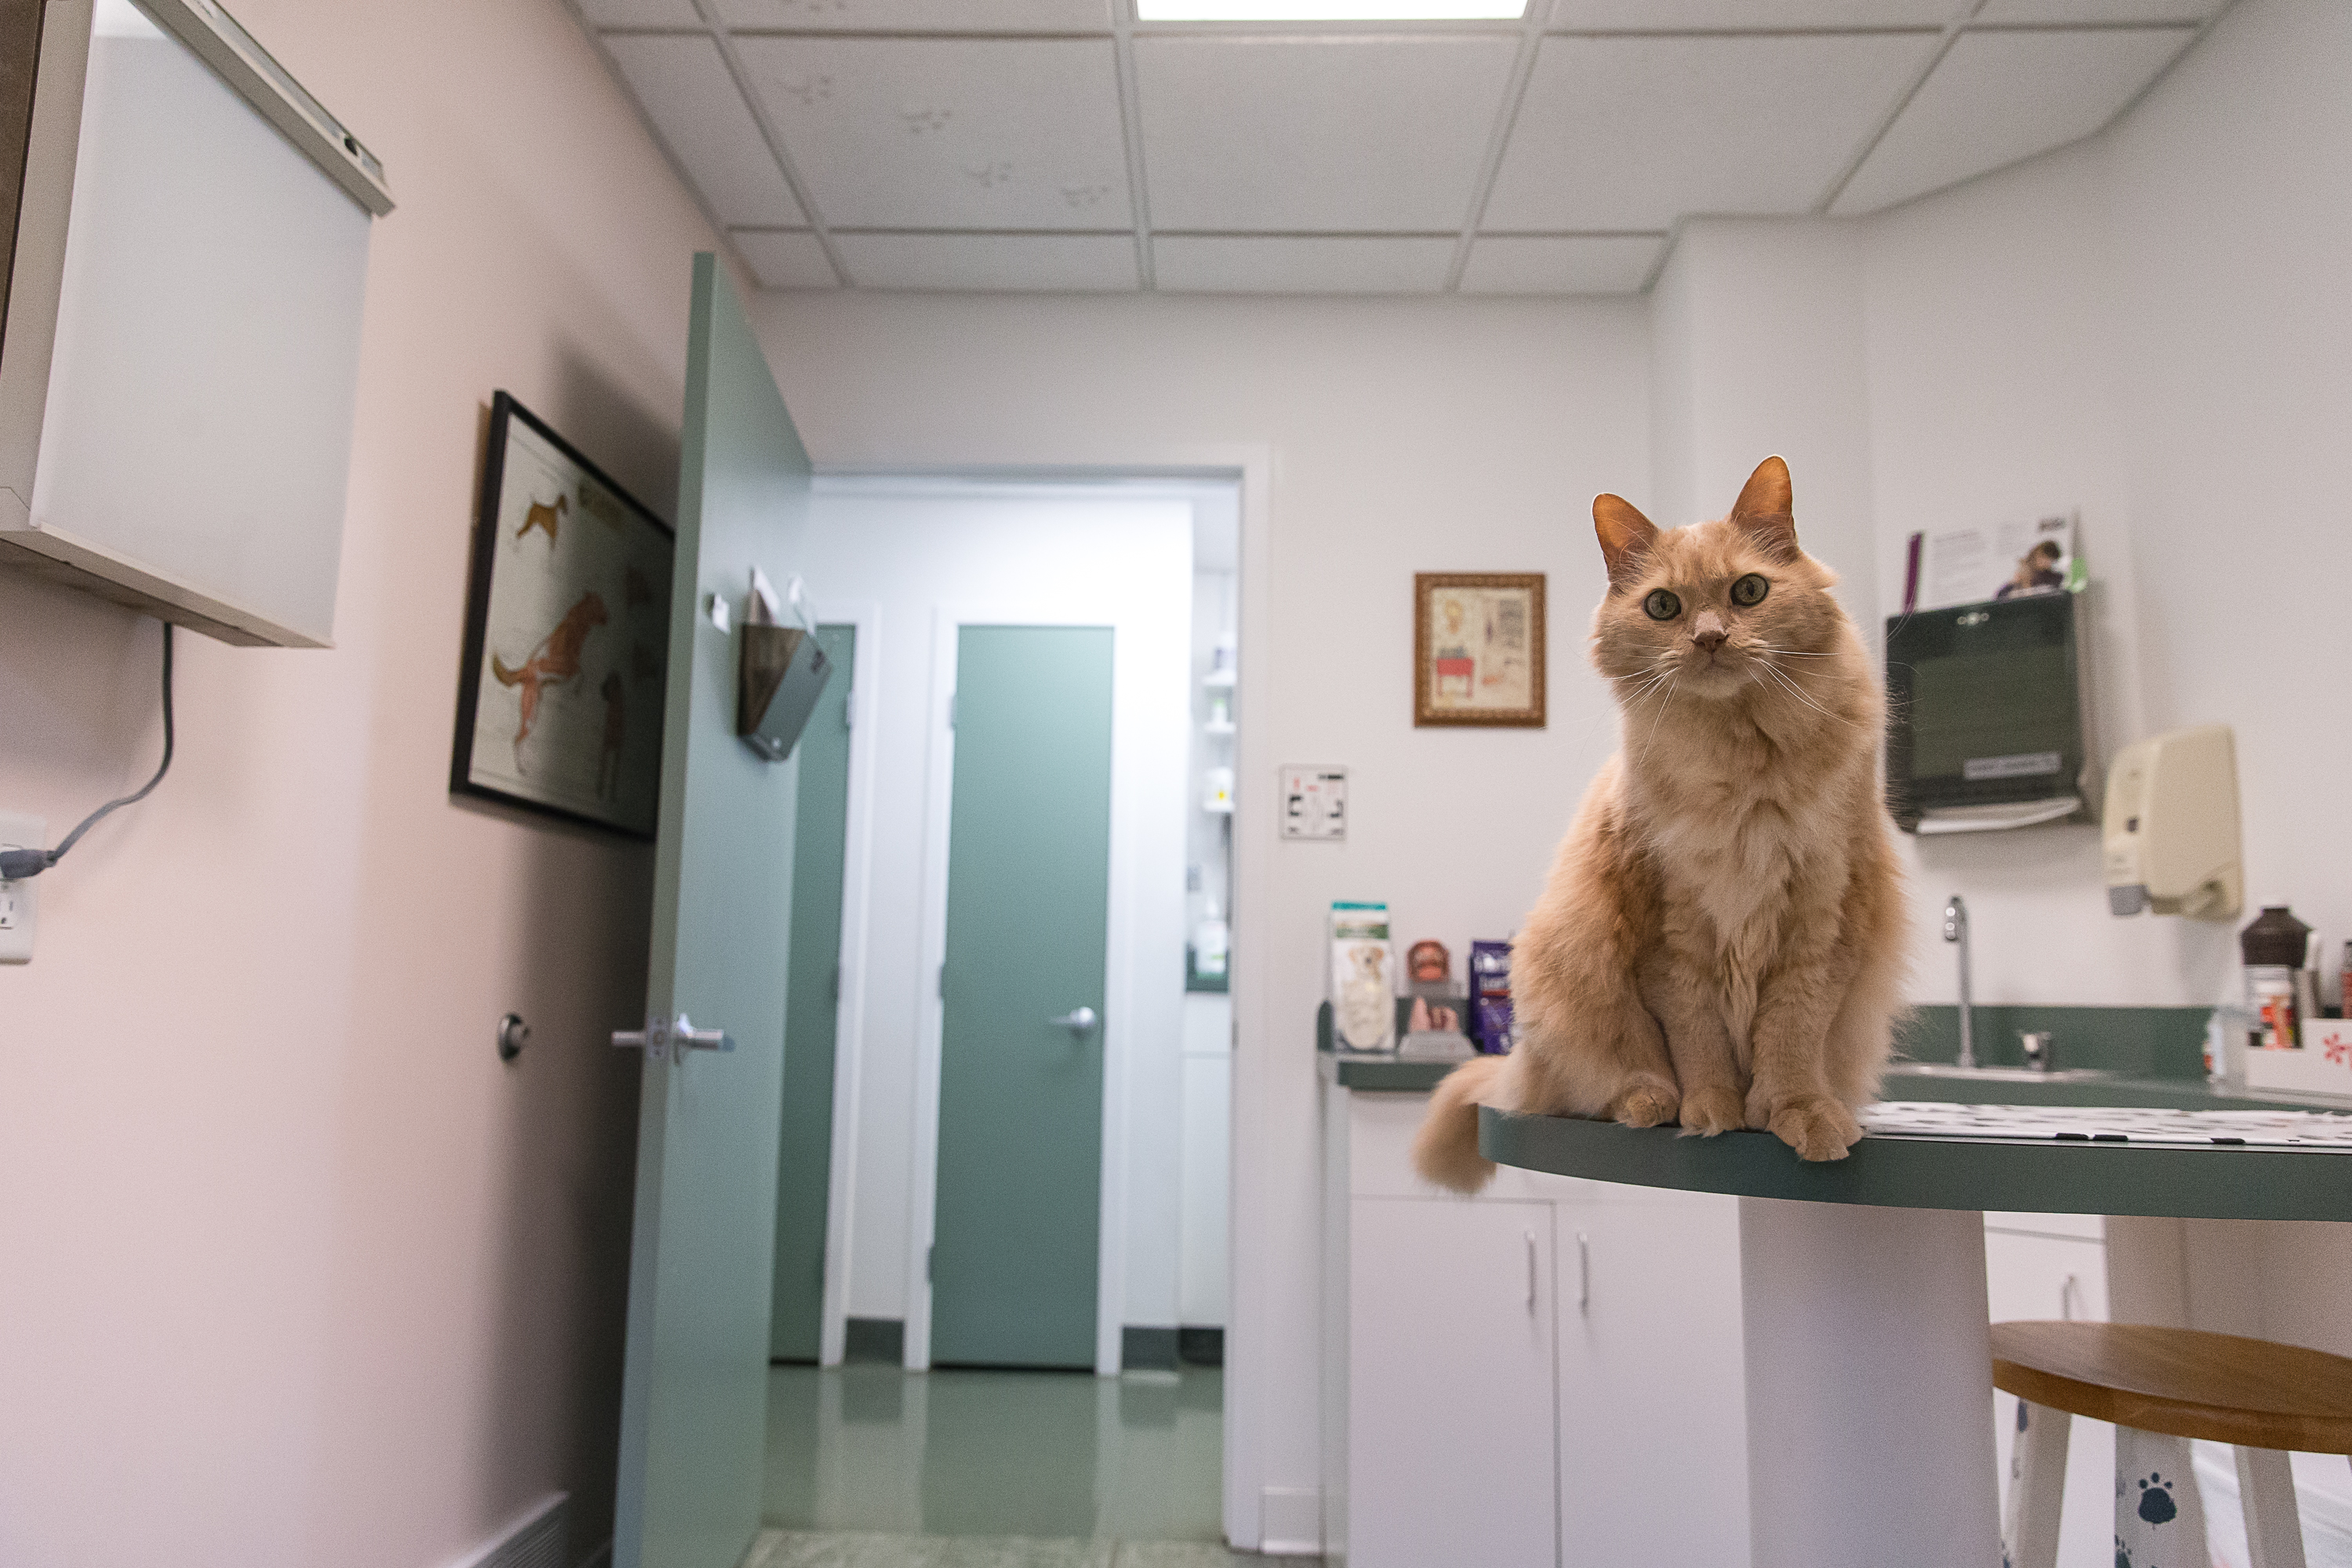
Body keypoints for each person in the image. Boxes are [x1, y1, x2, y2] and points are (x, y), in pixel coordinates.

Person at [1996, 540, 2064, 599]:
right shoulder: (2017, 581)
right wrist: (2016, 582)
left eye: (2048, 558)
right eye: (2041, 556)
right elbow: (2000, 597)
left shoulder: (2055, 578)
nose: (2044, 561)